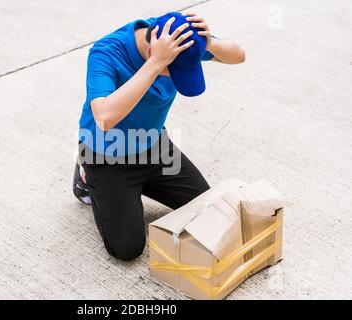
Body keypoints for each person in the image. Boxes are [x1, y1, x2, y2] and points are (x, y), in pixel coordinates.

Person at [73, 11, 245, 261]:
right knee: (127, 249)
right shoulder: (107, 51)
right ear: (153, 50)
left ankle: (139, 186)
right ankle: (85, 175)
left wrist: (209, 42)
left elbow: (238, 56)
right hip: (106, 153)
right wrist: (154, 64)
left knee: (210, 212)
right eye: (172, 71)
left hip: (155, 146)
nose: (176, 79)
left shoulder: (176, 38)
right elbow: (104, 118)